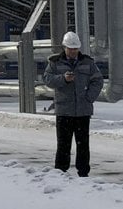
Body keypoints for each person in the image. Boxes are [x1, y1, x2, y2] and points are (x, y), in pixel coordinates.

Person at [43, 31, 103, 176]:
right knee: (63, 143)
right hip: (64, 110)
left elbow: (98, 80)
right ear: (64, 47)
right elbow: (47, 79)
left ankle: (83, 172)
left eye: (75, 49)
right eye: (70, 48)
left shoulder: (88, 63)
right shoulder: (55, 62)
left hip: (82, 110)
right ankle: (61, 171)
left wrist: (89, 97)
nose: (73, 51)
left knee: (83, 144)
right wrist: (63, 79)